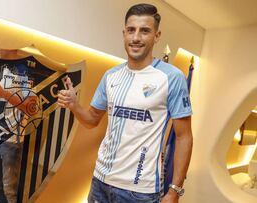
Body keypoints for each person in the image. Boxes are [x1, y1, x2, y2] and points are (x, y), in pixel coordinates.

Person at [57, 3, 193, 203]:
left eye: (144, 31)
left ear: (156, 35)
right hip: (100, 182)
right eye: (131, 30)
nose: (136, 38)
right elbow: (91, 120)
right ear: (124, 34)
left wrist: (174, 190)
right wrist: (74, 105)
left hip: (139, 192)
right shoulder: (111, 76)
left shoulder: (171, 77)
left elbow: (184, 136)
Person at [0, 49, 39, 203]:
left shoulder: (24, 72)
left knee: (10, 192)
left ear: (10, 46)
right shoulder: (3, 68)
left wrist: (3, 93)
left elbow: (31, 109)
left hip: (11, 142)